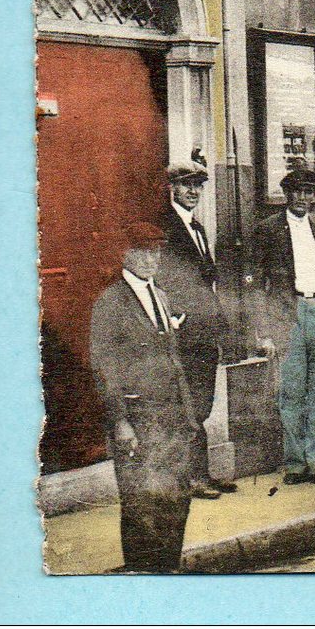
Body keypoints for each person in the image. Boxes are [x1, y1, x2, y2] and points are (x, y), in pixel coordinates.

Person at [89, 223, 201, 571]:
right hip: (139, 419)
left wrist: (188, 414)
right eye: (143, 251)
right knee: (142, 502)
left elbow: (174, 359)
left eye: (156, 251)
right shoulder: (110, 303)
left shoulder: (161, 296)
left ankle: (170, 568)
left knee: (176, 497)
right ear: (125, 254)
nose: (152, 259)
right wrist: (121, 421)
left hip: (173, 418)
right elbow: (104, 368)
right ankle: (144, 575)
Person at [246, 168, 315, 484]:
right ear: (286, 195)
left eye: (309, 192)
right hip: (287, 314)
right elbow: (252, 282)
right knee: (291, 390)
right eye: (297, 192)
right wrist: (261, 329)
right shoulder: (267, 230)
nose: (303, 198)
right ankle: (295, 464)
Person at [158, 162, 236, 499]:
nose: (193, 192)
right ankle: (190, 478)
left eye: (198, 186)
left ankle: (200, 473)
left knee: (201, 404)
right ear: (171, 188)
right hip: (185, 329)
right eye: (186, 185)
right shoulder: (166, 226)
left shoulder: (197, 227)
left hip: (204, 329)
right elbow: (161, 278)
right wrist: (177, 317)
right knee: (188, 405)